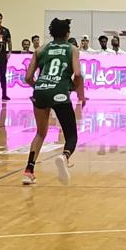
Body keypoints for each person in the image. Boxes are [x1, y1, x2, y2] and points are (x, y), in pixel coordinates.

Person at [22, 18, 86, 186]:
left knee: (40, 133)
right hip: (59, 93)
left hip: (41, 92)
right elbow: (78, 74)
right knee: (71, 135)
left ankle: (29, 171)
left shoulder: (40, 49)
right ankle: (64, 157)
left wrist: (41, 86)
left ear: (51, 33)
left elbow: (28, 77)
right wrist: (79, 93)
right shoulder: (72, 49)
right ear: (67, 34)